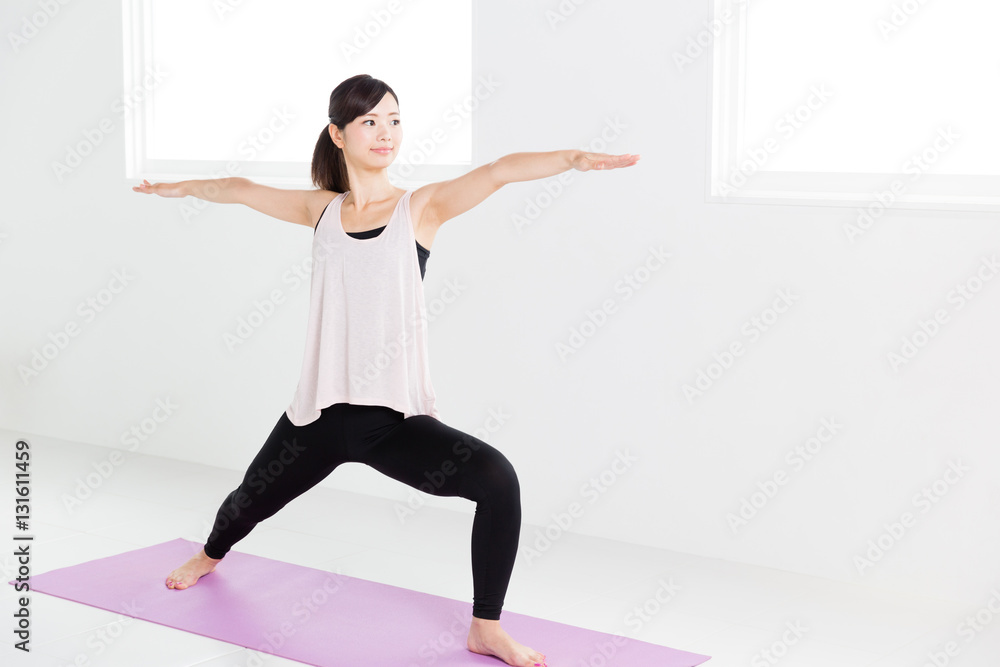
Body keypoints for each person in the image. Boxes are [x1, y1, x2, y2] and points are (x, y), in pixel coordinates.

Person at [132, 73, 639, 667]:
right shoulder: (319, 210)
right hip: (318, 414)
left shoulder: (419, 208)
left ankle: (485, 626)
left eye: (394, 120)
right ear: (338, 134)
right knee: (247, 501)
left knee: (498, 481)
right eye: (370, 121)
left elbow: (499, 170)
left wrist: (573, 158)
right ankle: (209, 556)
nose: (386, 132)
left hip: (391, 422)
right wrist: (179, 188)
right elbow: (240, 188)